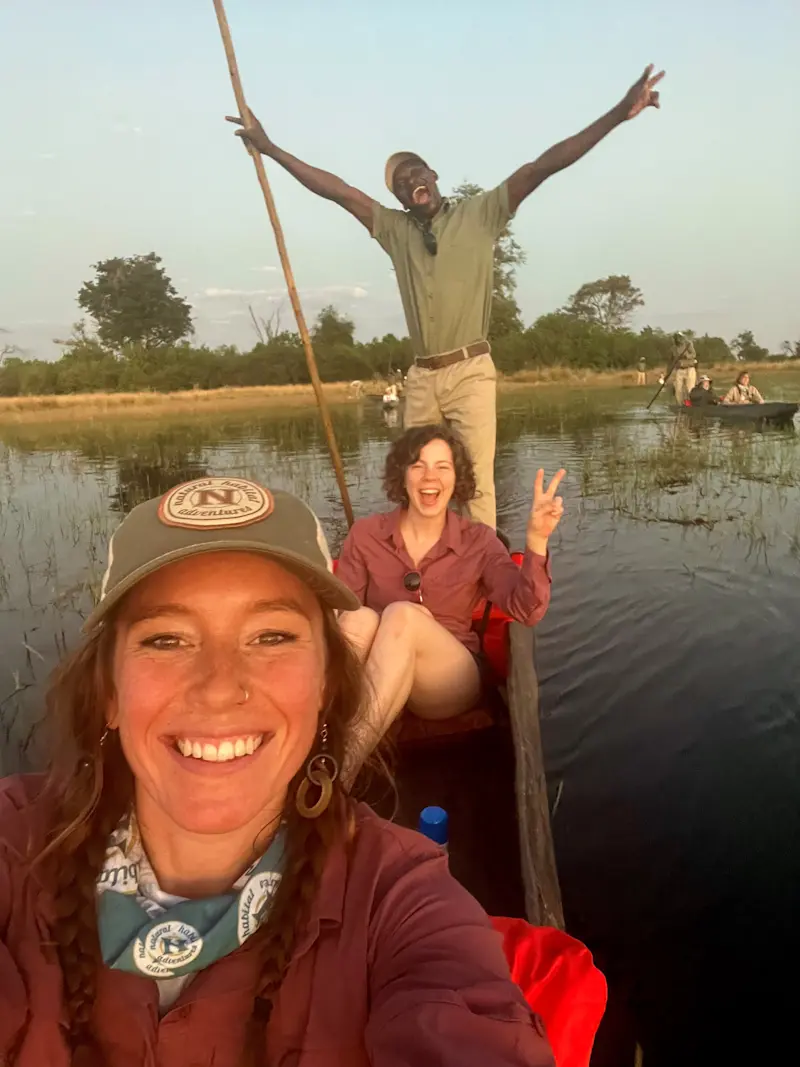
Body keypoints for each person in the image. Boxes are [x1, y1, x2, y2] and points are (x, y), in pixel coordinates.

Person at [0, 476, 556, 1066]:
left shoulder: (401, 902)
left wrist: (538, 547)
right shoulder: (15, 844)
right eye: (167, 639)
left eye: (271, 636)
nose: (218, 688)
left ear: (326, 685)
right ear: (109, 691)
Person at [228, 65, 665, 530]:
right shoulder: (394, 231)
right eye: (399, 183)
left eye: (415, 172)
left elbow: (545, 165)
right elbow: (339, 192)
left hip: (471, 371)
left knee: (474, 480)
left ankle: (484, 564)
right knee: (417, 477)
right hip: (421, 377)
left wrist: (620, 113)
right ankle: (425, 564)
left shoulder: (482, 214)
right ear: (399, 199)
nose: (408, 182)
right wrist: (270, 148)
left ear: (433, 176)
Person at [336, 426, 564, 772]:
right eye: (418, 466)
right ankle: (320, 733)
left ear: (457, 479)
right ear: (402, 475)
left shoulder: (479, 541)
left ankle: (342, 767)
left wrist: (536, 541)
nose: (431, 477)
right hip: (377, 673)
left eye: (443, 467)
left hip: (448, 682)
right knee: (356, 619)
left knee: (402, 615)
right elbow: (343, 619)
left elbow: (526, 610)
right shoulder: (366, 535)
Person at [661, 332, 698, 404]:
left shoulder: (688, 344)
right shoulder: (673, 348)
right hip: (679, 370)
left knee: (690, 389)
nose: (678, 340)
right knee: (678, 390)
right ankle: (680, 404)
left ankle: (690, 404)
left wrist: (687, 355)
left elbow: (694, 354)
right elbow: (670, 362)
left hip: (689, 369)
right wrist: (667, 374)